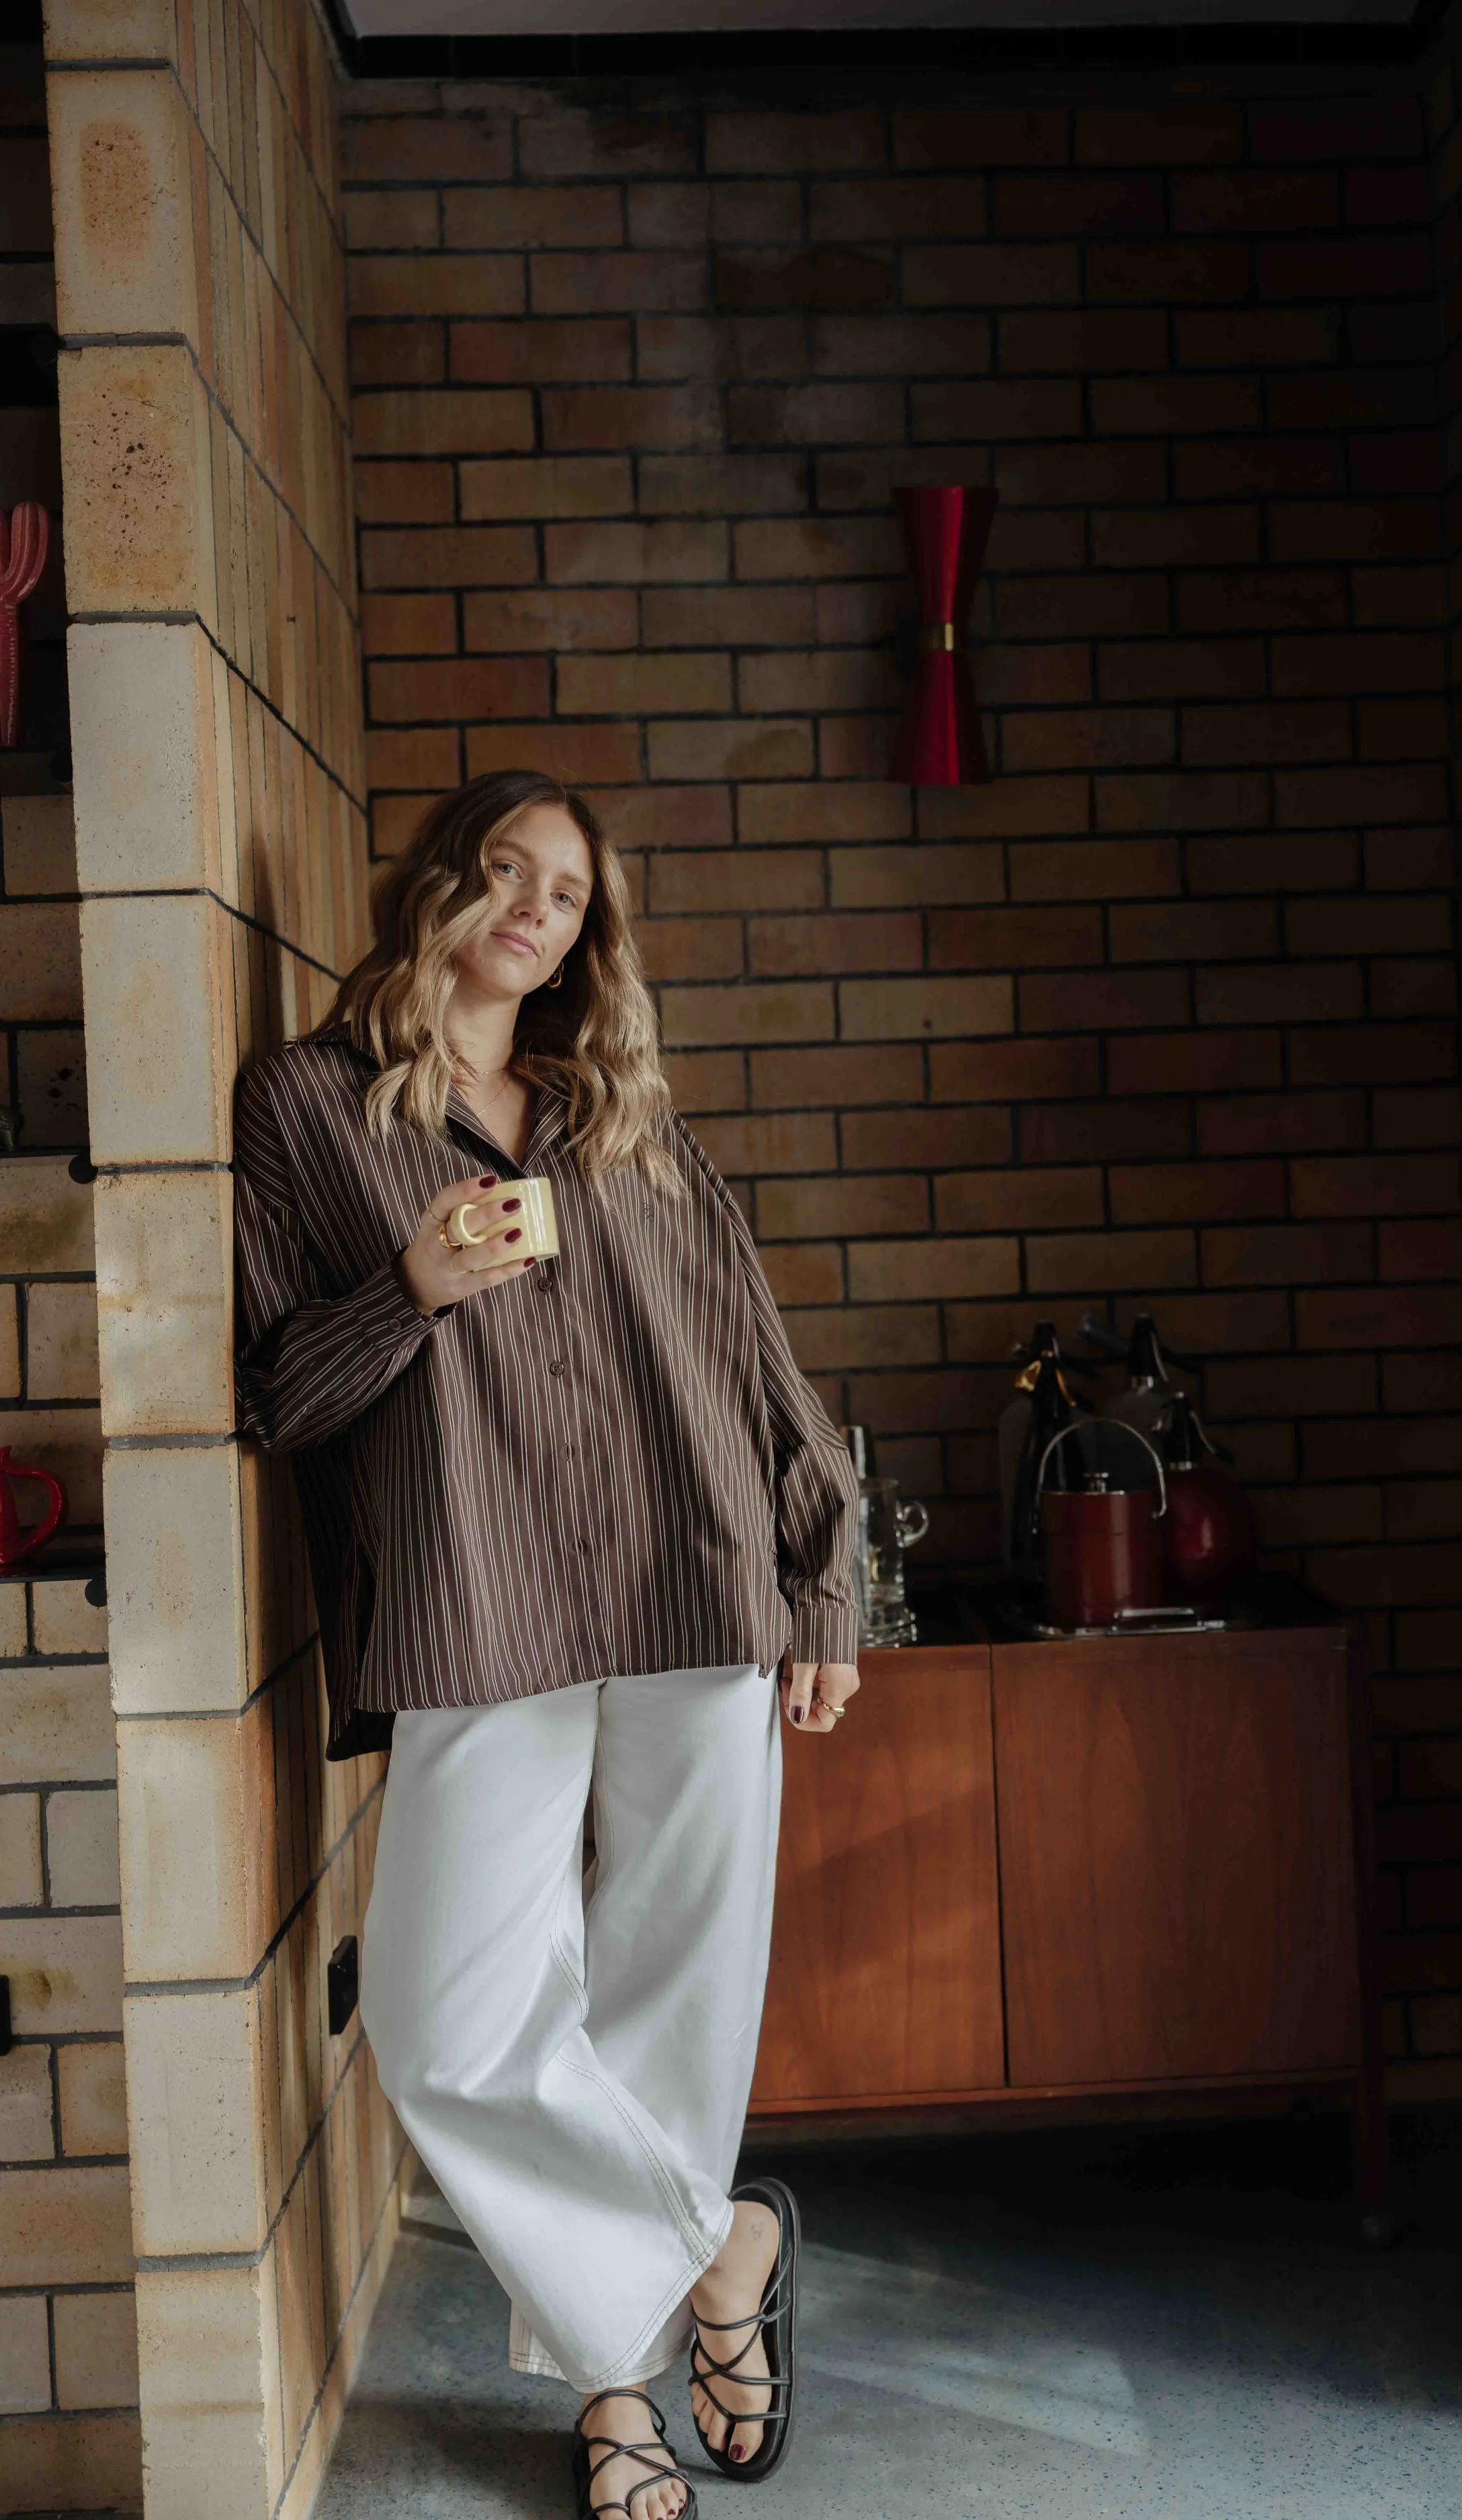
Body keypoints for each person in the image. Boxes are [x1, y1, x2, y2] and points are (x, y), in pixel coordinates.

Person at [232, 769, 862, 2517]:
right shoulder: (308, 1106)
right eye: (502, 869)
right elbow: (277, 1389)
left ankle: (613, 2398)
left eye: (566, 892)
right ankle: (717, 2243)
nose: (531, 906)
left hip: (687, 1581)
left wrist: (823, 1576)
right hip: (477, 1599)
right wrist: (410, 1286)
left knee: (672, 1994)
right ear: (434, 884)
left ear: (591, 935)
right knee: (443, 2018)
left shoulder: (616, 1111)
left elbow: (752, 1355)